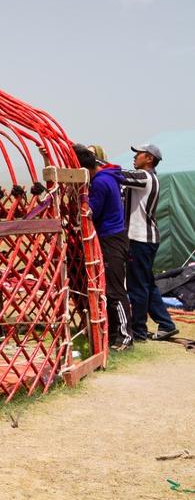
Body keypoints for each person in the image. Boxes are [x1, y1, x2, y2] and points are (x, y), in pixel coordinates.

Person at [73, 144, 133, 351]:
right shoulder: (107, 176)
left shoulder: (100, 182)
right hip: (113, 236)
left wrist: (81, 199)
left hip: (111, 239)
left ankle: (125, 337)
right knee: (110, 289)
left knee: (115, 290)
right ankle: (115, 334)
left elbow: (91, 212)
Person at [122, 143, 178, 341]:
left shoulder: (144, 177)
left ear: (149, 159)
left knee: (138, 286)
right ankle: (166, 324)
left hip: (140, 238)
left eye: (139, 154)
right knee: (147, 284)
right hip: (147, 238)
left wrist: (92, 161)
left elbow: (118, 175)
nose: (135, 157)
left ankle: (138, 330)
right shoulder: (150, 178)